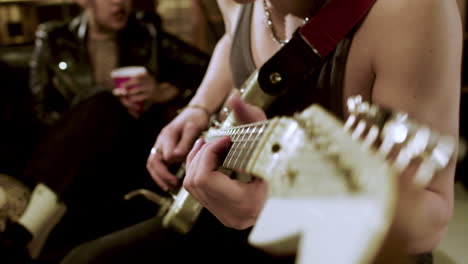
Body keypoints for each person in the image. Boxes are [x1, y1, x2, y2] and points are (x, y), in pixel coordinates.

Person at [61, 0, 462, 263]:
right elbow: (230, 37)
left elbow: (429, 220)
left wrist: (286, 200)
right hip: (236, 220)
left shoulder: (410, 10)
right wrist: (200, 108)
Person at [0, 0, 209, 263]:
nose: (120, 4)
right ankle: (27, 236)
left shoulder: (147, 34)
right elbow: (42, 111)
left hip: (126, 151)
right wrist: (89, 116)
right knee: (103, 103)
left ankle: (23, 237)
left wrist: (161, 91)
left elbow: (210, 72)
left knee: (107, 105)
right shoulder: (55, 38)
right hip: (65, 152)